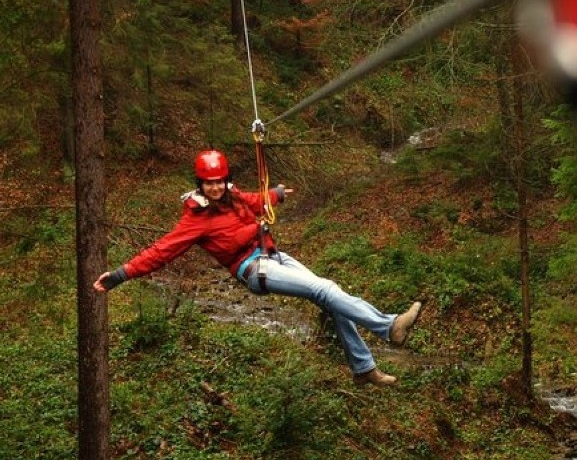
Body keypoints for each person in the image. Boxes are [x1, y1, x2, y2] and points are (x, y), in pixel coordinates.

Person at [94, 149, 422, 387]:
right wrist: (121, 274)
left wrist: (274, 195)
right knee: (323, 290)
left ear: (226, 180)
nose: (215, 187)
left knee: (329, 292)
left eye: (220, 181)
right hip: (254, 270)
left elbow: (254, 200)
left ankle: (363, 368)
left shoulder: (232, 195)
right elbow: (161, 251)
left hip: (273, 255)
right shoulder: (196, 219)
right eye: (209, 183)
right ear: (199, 184)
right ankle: (389, 327)